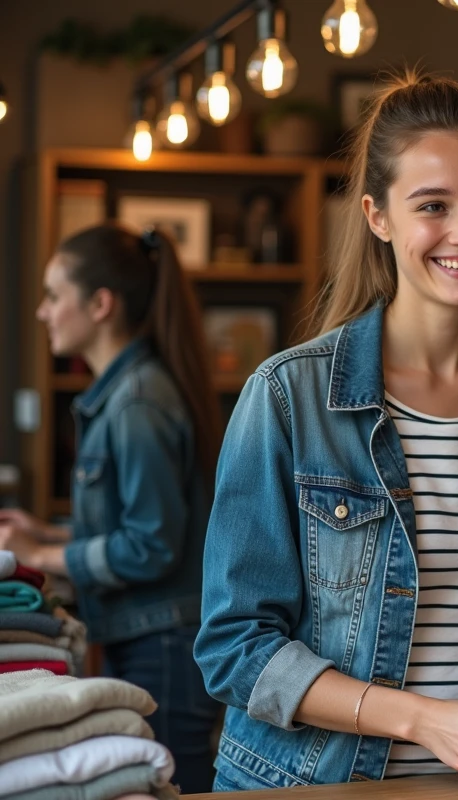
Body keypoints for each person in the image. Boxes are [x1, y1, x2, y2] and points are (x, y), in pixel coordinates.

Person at [194, 71, 458, 791]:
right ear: (378, 216)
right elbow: (234, 650)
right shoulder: (288, 397)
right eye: (432, 206)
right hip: (317, 784)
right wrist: (420, 719)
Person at [0, 223, 223, 793]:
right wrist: (50, 532)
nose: (42, 313)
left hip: (165, 646)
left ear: (100, 304)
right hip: (149, 638)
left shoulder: (137, 405)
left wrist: (44, 552)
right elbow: (134, 523)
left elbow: (151, 546)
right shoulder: (130, 394)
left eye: (54, 296)